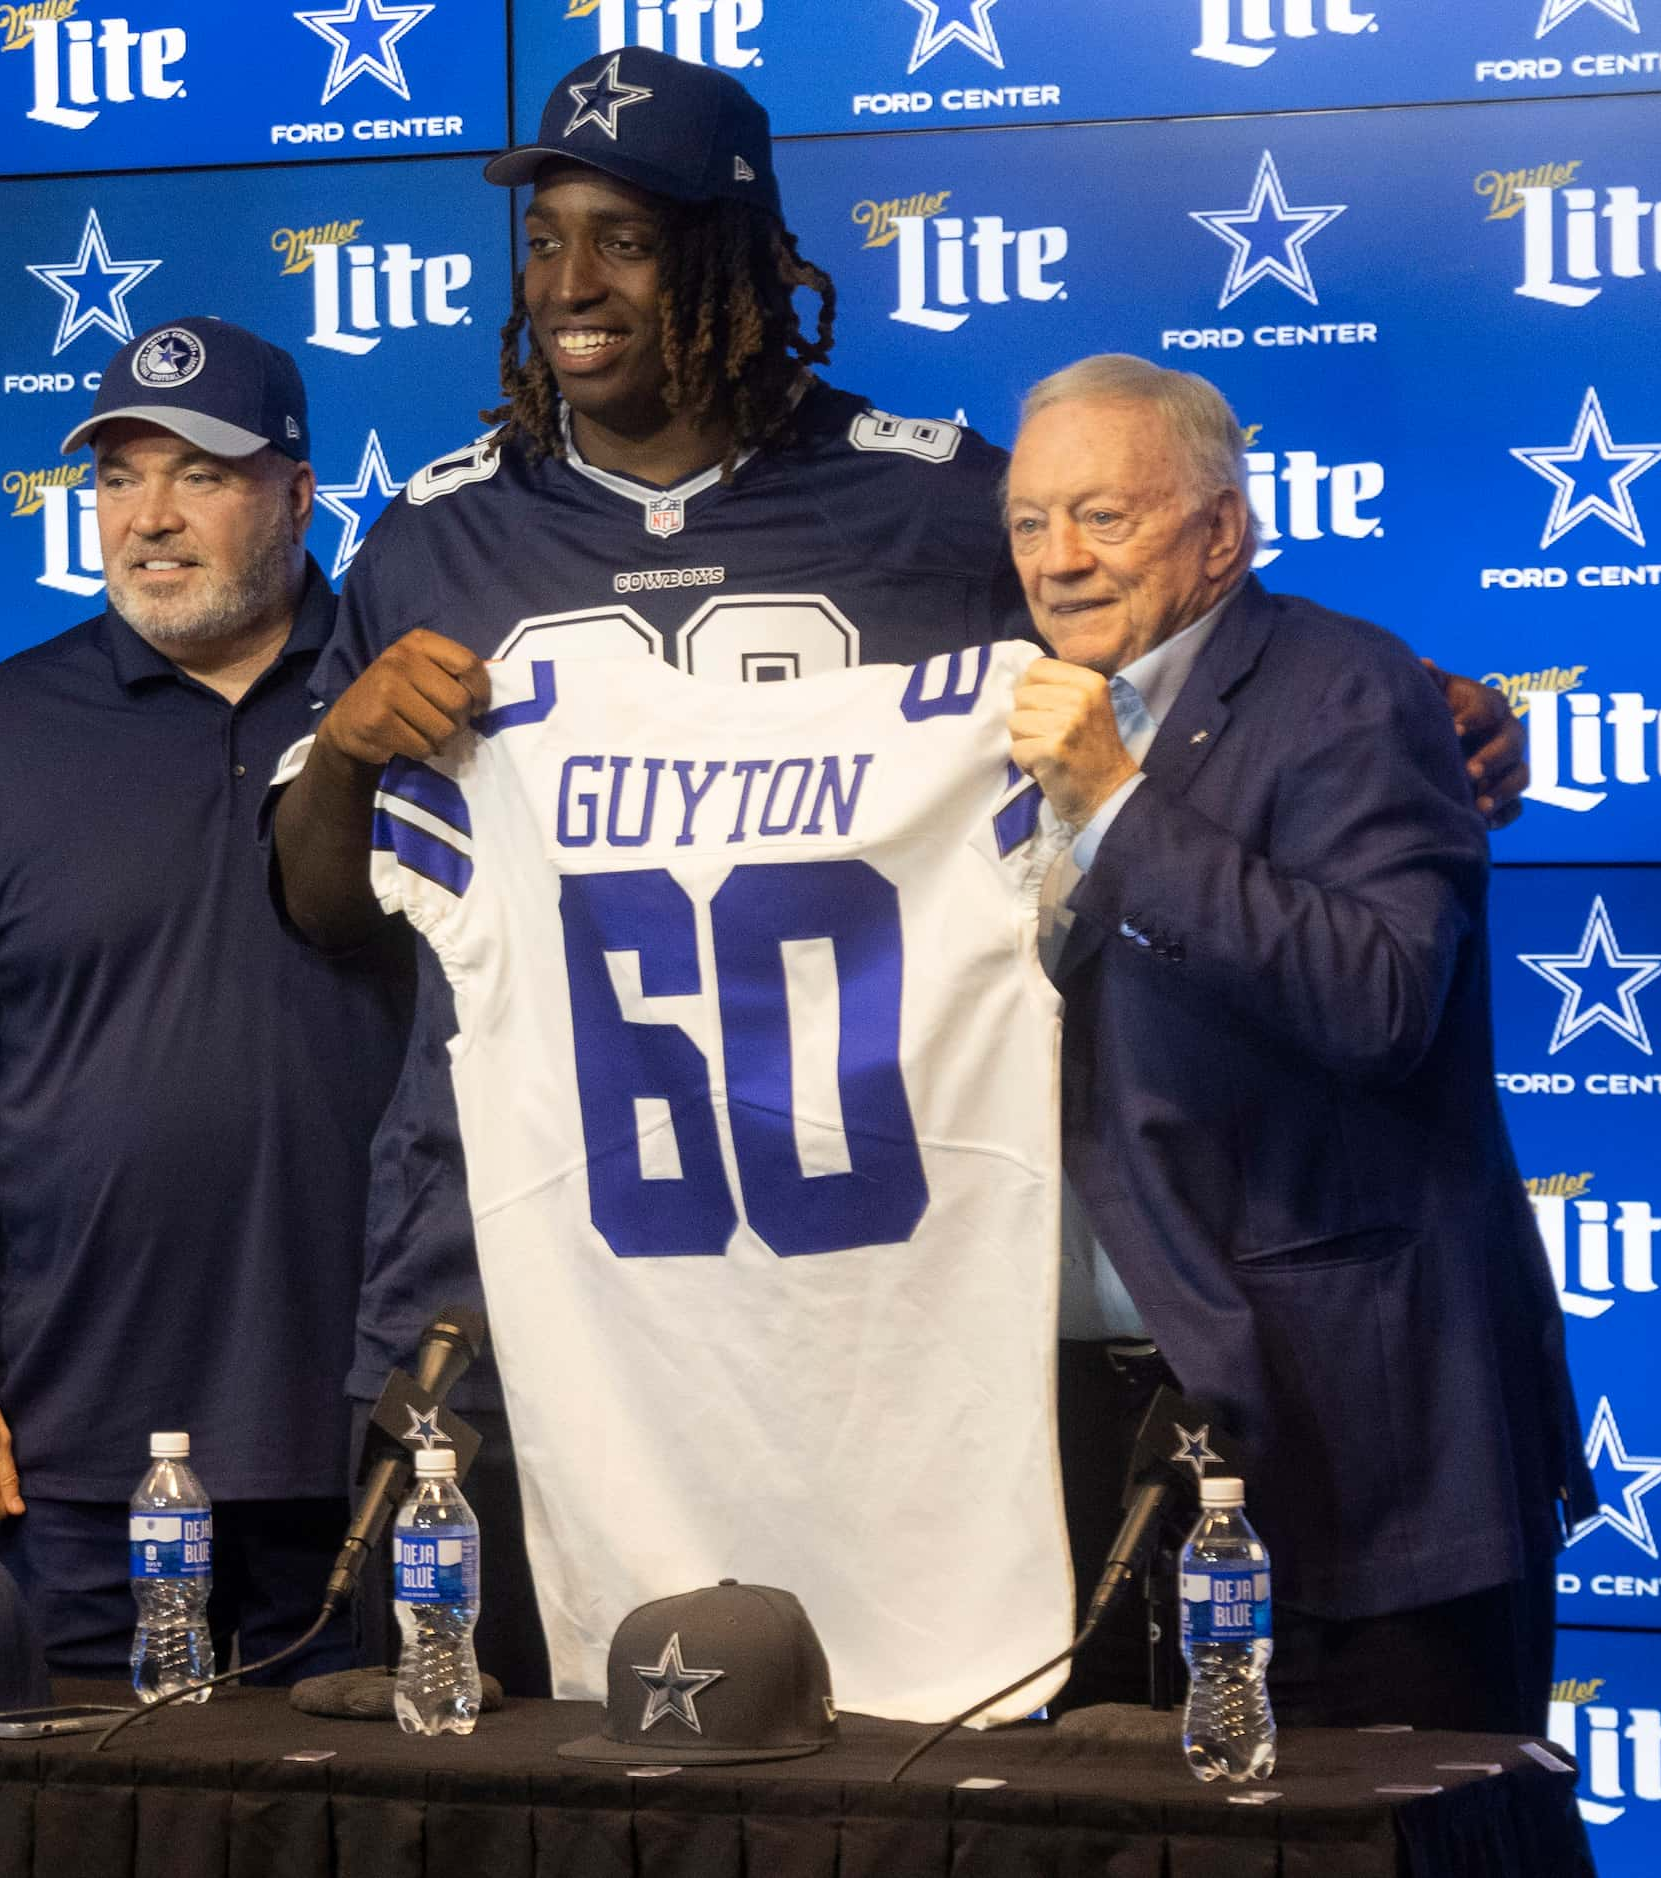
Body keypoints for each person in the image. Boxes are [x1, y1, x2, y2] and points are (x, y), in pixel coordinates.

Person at [269, 46, 1531, 1698]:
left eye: (627, 240)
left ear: (735, 250)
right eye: (547, 240)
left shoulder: (943, 503)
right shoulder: (434, 537)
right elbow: (323, 912)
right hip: (537, 1276)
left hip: (884, 1284)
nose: (571, 284)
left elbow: (1170, 670)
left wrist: (1409, 707)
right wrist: (354, 750)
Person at [1004, 352, 1590, 1732]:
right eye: (1030, 522)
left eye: (1106, 515)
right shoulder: (997, 706)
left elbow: (1383, 997)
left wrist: (1118, 805)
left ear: (1223, 534)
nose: (1059, 558)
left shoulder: (1353, 691)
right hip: (1091, 1453)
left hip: (1354, 1452)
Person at [0, 319, 408, 1683]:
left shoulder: (405, 709)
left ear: (300, 492)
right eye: (116, 477)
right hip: (77, 1463)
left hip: (377, 1443)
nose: (148, 518)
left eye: (198, 475)